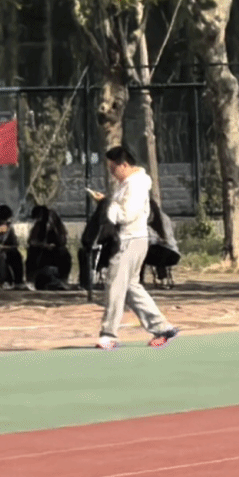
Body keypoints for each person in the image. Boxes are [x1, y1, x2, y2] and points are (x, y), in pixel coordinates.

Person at [88, 145, 178, 350]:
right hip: (132, 239)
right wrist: (108, 202)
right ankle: (162, 328)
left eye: (113, 168)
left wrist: (109, 205)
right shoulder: (128, 184)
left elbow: (127, 214)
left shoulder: (135, 185)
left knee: (115, 284)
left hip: (130, 240)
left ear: (124, 165)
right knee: (131, 287)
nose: (112, 172)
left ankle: (109, 334)